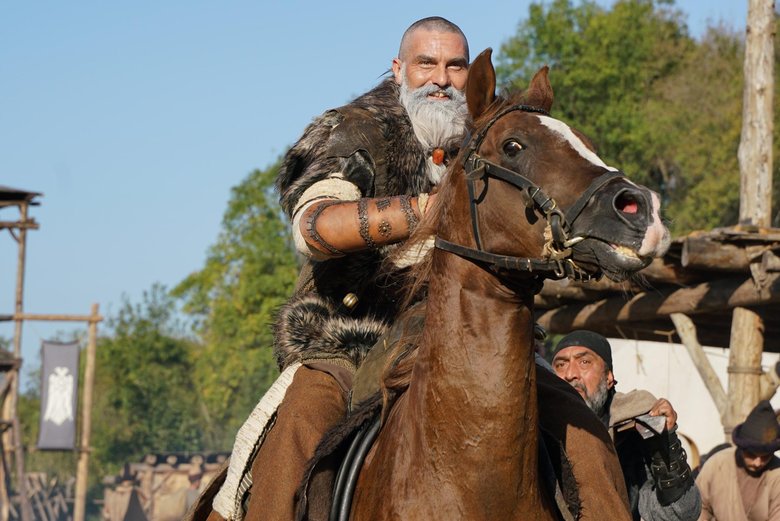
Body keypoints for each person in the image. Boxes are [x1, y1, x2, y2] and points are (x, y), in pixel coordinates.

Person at [199, 17, 631, 521]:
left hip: (484, 341)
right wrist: (428, 212)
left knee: (583, 435)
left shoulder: (499, 134)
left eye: (454, 66)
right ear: (399, 68)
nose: (441, 79)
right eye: (426, 63)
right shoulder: (356, 129)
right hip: (355, 338)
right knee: (295, 429)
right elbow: (313, 226)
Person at [552, 330, 701, 521]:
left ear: (608, 378)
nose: (570, 374)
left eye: (584, 362)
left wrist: (664, 443)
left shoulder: (634, 428)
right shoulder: (538, 431)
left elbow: (679, 514)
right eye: (560, 365)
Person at [696, 400, 780, 520]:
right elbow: (699, 507)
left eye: (765, 456)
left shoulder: (777, 474)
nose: (757, 463)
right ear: (742, 448)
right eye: (752, 455)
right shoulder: (717, 464)